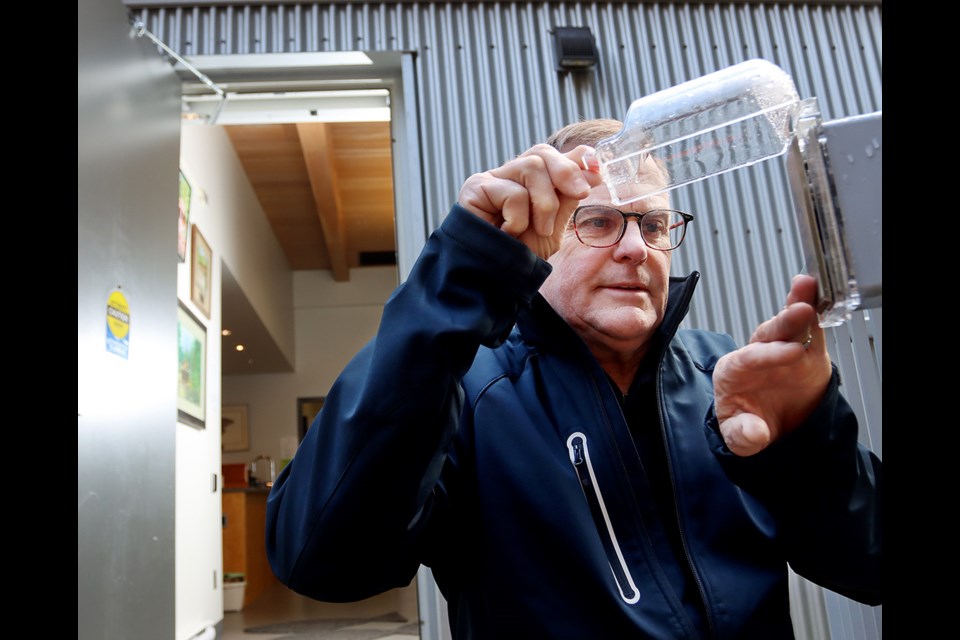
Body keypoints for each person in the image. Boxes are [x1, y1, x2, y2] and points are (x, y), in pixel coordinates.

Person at [265, 119, 882, 639]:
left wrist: (809, 442)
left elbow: (870, 564)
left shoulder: (727, 377)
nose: (637, 249)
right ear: (544, 238)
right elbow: (324, 563)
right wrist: (462, 272)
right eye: (600, 223)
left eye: (655, 225)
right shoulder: (464, 388)